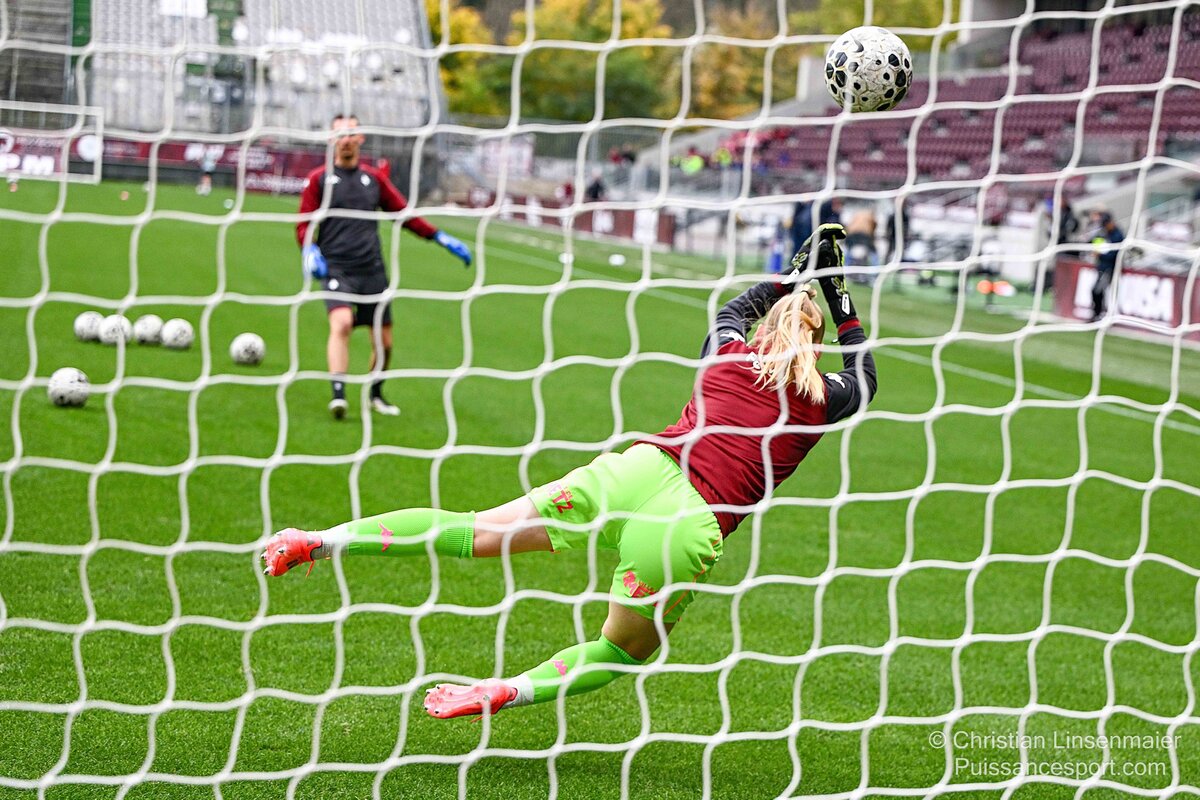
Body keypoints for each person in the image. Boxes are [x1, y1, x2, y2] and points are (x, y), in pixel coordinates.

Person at [262, 224, 877, 719]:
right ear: (817, 344)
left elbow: (733, 309)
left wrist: (792, 276)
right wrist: (839, 293)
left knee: (475, 529)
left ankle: (319, 540)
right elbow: (867, 375)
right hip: (685, 526)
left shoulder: (726, 354)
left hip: (635, 472)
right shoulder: (823, 398)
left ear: (766, 325)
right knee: (618, 652)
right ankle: (507, 690)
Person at [297, 114, 472, 419]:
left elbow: (403, 214)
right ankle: (338, 396)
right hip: (337, 268)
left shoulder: (373, 180)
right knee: (342, 324)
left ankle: (376, 394)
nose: (346, 140)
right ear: (331, 139)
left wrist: (439, 237)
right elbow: (304, 223)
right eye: (340, 134)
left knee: (384, 342)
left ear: (361, 138)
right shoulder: (319, 179)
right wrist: (309, 249)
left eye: (351, 133)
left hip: (372, 270)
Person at [1089, 211, 1124, 322]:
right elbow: (1094, 243)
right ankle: (1097, 314)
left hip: (1110, 269)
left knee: (1098, 291)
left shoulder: (1117, 235)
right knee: (1097, 291)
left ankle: (1101, 314)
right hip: (1102, 267)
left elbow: (1114, 255)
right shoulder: (1103, 233)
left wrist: (1100, 254)